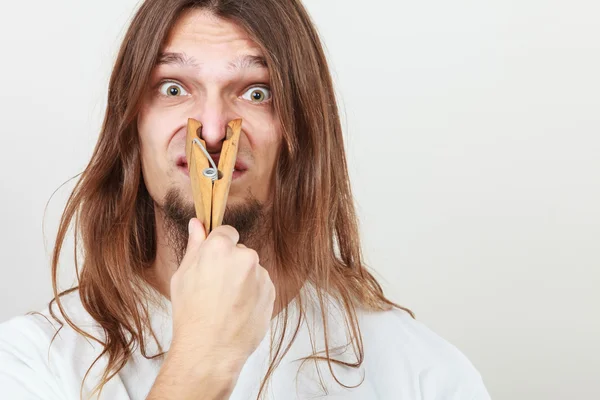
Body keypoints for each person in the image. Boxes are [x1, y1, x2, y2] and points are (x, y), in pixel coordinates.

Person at [0, 1, 490, 399]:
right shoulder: (31, 365)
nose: (212, 131)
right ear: (132, 127)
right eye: (174, 88)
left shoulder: (425, 375)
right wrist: (199, 365)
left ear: (302, 131)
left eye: (256, 93)